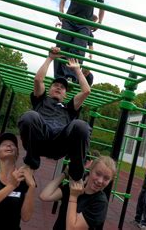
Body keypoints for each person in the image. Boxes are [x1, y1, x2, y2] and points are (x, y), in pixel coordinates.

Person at [18, 47, 91, 185]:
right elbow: (38, 80)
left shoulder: (69, 107)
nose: (58, 87)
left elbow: (86, 91)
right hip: (40, 138)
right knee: (29, 116)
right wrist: (50, 58)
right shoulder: (41, 99)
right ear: (49, 89)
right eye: (55, 85)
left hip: (60, 141)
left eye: (62, 87)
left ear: (65, 94)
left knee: (81, 126)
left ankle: (75, 174)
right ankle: (31, 162)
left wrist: (77, 70)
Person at [53, 0, 104, 82]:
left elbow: (102, 7)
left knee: (78, 48)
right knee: (62, 46)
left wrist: (100, 22)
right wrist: (61, 11)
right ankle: (59, 77)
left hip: (85, 24)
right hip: (69, 20)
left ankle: (70, 77)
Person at [0, 132, 36, 230]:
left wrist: (32, 187)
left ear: (17, 153)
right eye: (4, 144)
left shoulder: (25, 178)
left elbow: (26, 217)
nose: (9, 145)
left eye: (13, 145)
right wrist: (11, 186)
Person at [39, 156, 116, 230]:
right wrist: (65, 174)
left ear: (110, 181)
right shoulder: (76, 186)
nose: (100, 181)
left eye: (106, 178)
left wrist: (73, 196)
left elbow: (71, 228)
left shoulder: (100, 203)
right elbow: (44, 196)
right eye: (98, 174)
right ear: (91, 170)